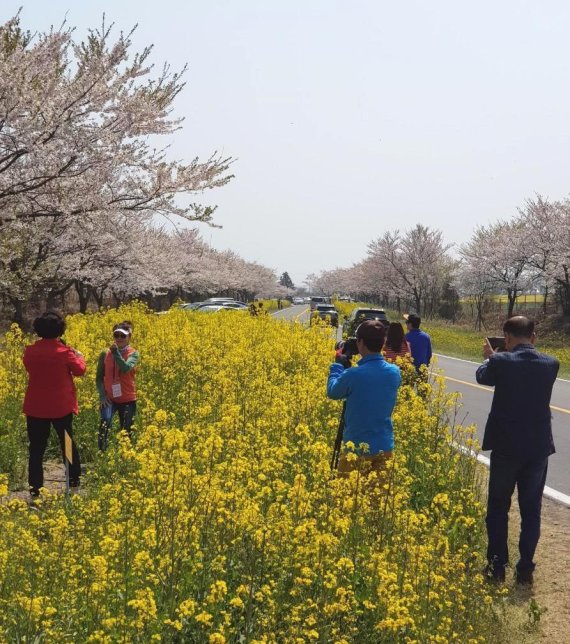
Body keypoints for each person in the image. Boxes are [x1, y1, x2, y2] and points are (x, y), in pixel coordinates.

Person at [476, 316, 559, 585]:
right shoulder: (551, 364)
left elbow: (482, 376)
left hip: (506, 446)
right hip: (537, 448)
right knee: (531, 509)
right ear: (533, 336)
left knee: (498, 507)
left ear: (507, 338)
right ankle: (525, 569)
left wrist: (490, 357)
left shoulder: (501, 361)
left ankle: (497, 567)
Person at [22, 311, 86, 497]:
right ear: (61, 330)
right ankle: (73, 478)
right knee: (66, 441)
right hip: (61, 406)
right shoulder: (65, 352)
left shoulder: (30, 351)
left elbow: (29, 367)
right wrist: (79, 355)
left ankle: (35, 487)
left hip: (36, 407)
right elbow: (80, 370)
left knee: (36, 447)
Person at [327, 320, 401, 477]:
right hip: (384, 448)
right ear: (383, 343)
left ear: (360, 342)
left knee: (347, 497)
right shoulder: (394, 372)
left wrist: (338, 365)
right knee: (376, 500)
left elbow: (333, 392)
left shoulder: (353, 375)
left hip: (356, 449)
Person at [96, 321, 140, 450]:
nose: (119, 338)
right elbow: (99, 378)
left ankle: (125, 456)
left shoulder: (134, 353)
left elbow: (125, 368)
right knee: (105, 423)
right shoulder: (105, 353)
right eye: (117, 335)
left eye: (123, 336)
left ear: (129, 337)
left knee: (126, 430)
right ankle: (102, 453)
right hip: (109, 399)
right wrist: (102, 395)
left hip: (128, 399)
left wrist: (116, 353)